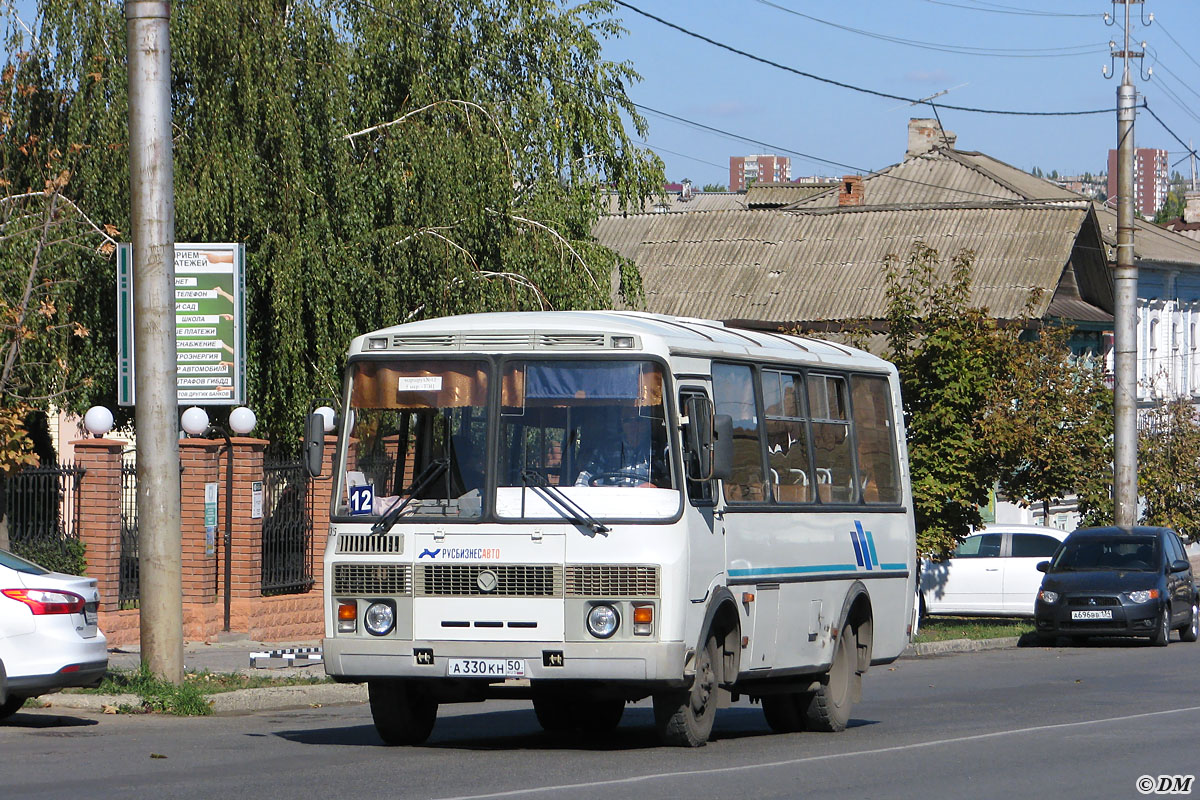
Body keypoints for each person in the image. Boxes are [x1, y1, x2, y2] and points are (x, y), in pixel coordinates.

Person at [574, 407, 658, 487]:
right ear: (621, 424)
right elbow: (585, 478)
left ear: (647, 423)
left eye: (638, 420)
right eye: (627, 420)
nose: (633, 425)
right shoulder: (606, 450)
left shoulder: (658, 451)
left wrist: (656, 487)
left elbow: (669, 484)